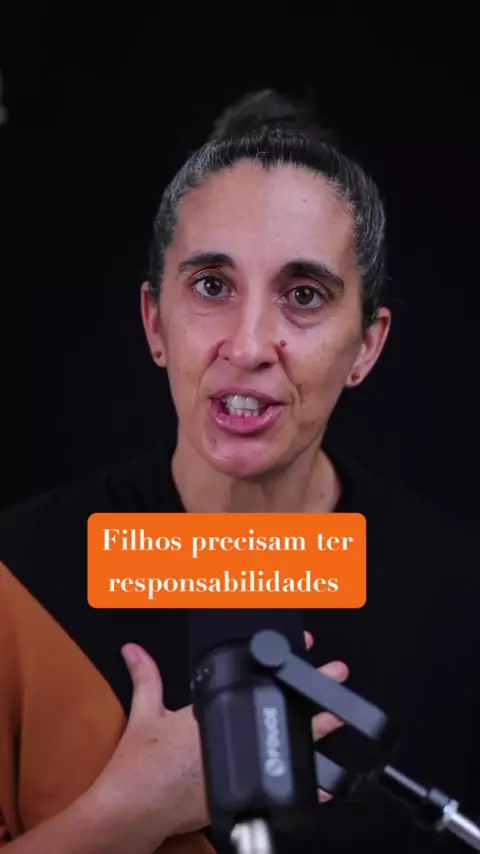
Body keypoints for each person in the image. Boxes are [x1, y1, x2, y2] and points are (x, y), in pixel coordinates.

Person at [0, 88, 478, 853]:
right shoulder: (16, 580)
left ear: (366, 345)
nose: (250, 345)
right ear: (155, 321)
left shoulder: (457, 597)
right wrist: (130, 811)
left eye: (304, 296)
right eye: (212, 287)